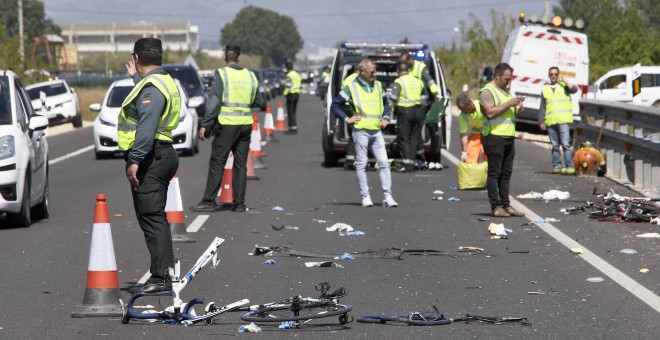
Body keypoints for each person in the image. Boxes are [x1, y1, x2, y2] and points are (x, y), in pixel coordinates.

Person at [118, 38, 180, 293]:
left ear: (137, 57)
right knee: (154, 216)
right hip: (162, 153)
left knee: (152, 217)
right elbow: (148, 100)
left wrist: (135, 160)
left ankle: (161, 277)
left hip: (151, 156)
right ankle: (163, 272)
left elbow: (146, 127)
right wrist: (135, 78)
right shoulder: (160, 81)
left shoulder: (153, 86)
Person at [190, 45, 263, 213]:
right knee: (240, 164)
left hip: (227, 124)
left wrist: (206, 124)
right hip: (245, 124)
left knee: (217, 162)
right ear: (238, 57)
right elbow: (258, 101)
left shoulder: (222, 74)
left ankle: (209, 201)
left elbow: (214, 103)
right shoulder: (250, 75)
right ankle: (239, 204)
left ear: (225, 57)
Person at [330, 58, 398, 208]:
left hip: (376, 131)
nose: (375, 73)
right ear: (362, 72)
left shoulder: (379, 86)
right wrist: (347, 119)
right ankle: (365, 196)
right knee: (361, 164)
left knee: (384, 163)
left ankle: (388, 196)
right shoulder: (352, 88)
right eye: (372, 71)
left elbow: (386, 104)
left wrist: (386, 117)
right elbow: (335, 105)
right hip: (361, 131)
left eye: (375, 70)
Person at [479, 62, 525, 218]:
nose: (508, 82)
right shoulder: (487, 92)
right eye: (506, 79)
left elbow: (507, 111)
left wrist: (516, 108)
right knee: (494, 173)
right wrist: (510, 103)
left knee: (506, 173)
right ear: (497, 75)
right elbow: (490, 113)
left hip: (508, 136)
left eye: (510, 79)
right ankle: (496, 206)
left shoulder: (505, 91)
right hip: (494, 137)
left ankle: (506, 204)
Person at [400, 52, 440, 168]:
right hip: (407, 105)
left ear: (410, 60)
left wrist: (436, 93)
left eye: (405, 62)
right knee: (412, 133)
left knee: (416, 132)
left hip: (420, 105)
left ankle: (419, 157)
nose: (403, 65)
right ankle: (416, 156)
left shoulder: (420, 67)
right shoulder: (404, 69)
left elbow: (430, 81)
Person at [388, 62, 428, 172]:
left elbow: (393, 97)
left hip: (405, 112)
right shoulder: (418, 81)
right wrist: (421, 107)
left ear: (398, 71)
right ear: (409, 71)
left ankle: (407, 164)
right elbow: (425, 96)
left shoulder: (399, 81)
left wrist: (389, 109)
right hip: (418, 112)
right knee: (414, 137)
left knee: (403, 138)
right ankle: (412, 161)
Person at [538, 66, 578, 174]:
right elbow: (542, 106)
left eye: (555, 74)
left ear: (558, 75)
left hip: (563, 120)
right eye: (551, 74)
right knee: (555, 146)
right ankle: (557, 166)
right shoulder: (545, 89)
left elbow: (575, 90)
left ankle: (569, 166)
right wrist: (541, 121)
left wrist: (564, 80)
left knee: (565, 144)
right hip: (551, 121)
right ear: (549, 76)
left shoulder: (563, 86)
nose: (553, 76)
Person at [456, 93, 487, 164]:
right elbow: (464, 135)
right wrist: (464, 152)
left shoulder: (481, 106)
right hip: (476, 133)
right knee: (470, 156)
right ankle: (472, 173)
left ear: (470, 104)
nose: (463, 111)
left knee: (487, 154)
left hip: (488, 133)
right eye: (461, 109)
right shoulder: (462, 116)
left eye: (464, 109)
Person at [283, 60, 302, 134]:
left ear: (287, 67)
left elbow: (288, 86)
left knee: (290, 112)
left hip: (291, 95)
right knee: (293, 111)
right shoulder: (297, 74)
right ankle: (293, 127)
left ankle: (293, 128)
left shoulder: (289, 75)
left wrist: (285, 93)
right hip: (297, 94)